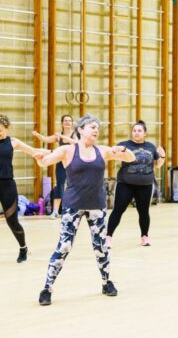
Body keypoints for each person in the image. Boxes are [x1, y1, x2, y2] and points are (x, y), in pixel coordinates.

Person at [32, 115, 136, 305]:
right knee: (64, 246)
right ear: (80, 130)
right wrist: (39, 159)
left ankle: (106, 282)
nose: (96, 130)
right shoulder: (67, 150)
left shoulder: (103, 151)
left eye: (97, 127)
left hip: (97, 206)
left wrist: (123, 149)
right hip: (73, 206)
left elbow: (131, 157)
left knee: (100, 248)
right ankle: (47, 288)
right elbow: (44, 162)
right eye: (92, 127)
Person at [105, 121, 165, 248]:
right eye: (134, 130)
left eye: (139, 131)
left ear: (145, 133)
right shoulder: (124, 145)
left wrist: (163, 156)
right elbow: (114, 155)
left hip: (146, 184)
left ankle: (145, 236)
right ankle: (108, 237)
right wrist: (115, 151)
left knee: (143, 211)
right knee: (118, 210)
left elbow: (157, 164)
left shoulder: (150, 146)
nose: (136, 133)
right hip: (125, 183)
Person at [0, 115, 42, 262]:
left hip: (7, 185)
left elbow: (32, 151)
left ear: (7, 127)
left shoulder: (12, 142)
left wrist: (51, 153)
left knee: (12, 221)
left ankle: (23, 248)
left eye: (0, 130)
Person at [32, 113, 77, 217]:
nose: (67, 122)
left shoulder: (74, 134)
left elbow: (76, 143)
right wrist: (38, 135)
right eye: (65, 120)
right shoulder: (59, 136)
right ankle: (55, 211)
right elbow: (46, 139)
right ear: (62, 123)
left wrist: (61, 136)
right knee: (59, 185)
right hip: (61, 163)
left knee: (73, 185)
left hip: (72, 163)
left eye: (69, 120)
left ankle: (72, 209)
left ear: (72, 123)